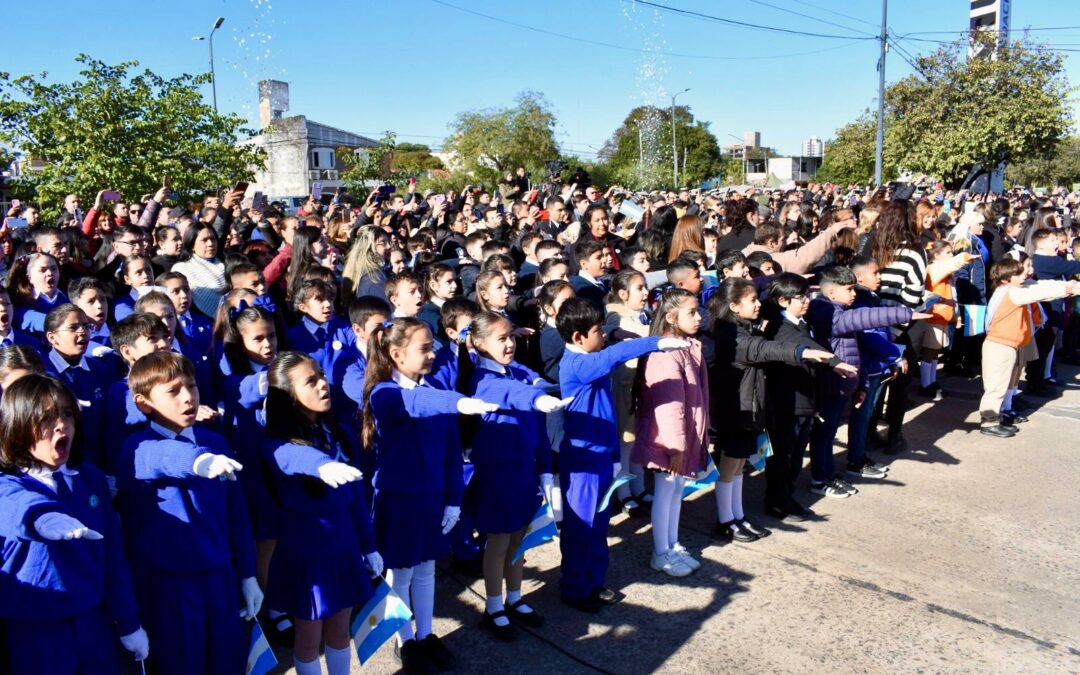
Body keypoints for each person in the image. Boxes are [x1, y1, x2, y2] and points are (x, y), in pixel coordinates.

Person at [360, 317, 496, 674]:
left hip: (433, 497)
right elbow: (415, 403)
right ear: (396, 354)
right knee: (401, 574)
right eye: (423, 348)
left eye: (432, 346)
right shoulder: (384, 393)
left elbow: (452, 449)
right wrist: (458, 403)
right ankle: (405, 641)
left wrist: (453, 498)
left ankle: (426, 634)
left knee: (426, 571)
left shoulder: (435, 386)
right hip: (401, 500)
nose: (432, 353)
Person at [116, 351, 260, 675]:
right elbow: (160, 456)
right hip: (170, 588)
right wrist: (197, 462)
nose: (187, 398)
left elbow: (236, 515)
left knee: (228, 662)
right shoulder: (137, 447)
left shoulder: (215, 442)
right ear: (143, 403)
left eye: (192, 387)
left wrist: (248, 574)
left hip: (221, 578)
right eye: (173, 391)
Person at [0, 375, 149, 672]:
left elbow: (113, 557)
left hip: (94, 621)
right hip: (35, 630)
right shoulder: (8, 484)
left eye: (67, 413)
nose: (61, 424)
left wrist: (129, 622)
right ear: (15, 425)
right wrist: (42, 517)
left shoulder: (90, 479)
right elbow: (13, 507)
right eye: (46, 417)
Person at [555, 297, 689, 612]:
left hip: (604, 456)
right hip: (582, 462)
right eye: (599, 330)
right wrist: (655, 342)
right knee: (581, 527)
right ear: (578, 338)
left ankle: (594, 581)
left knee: (600, 525)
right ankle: (575, 589)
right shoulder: (577, 364)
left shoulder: (591, 356)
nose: (604, 335)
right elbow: (615, 356)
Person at [262, 352, 380, 675]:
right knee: (308, 639)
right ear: (288, 397)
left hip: (343, 548)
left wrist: (368, 546)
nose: (322, 385)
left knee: (341, 632)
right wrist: (322, 465)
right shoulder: (277, 444)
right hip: (308, 557)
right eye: (310, 382)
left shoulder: (338, 431)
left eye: (321, 376)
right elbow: (292, 458)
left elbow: (356, 496)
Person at [461, 312, 570, 640]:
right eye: (501, 339)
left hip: (523, 472)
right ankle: (493, 607)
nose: (510, 344)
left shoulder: (516, 371)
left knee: (520, 540)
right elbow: (511, 394)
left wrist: (544, 470)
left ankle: (515, 598)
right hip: (497, 475)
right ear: (479, 345)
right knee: (498, 541)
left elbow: (535, 425)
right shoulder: (483, 381)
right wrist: (538, 397)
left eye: (511, 336)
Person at [709, 278, 837, 539]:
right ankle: (725, 521)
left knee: (738, 466)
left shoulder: (745, 327)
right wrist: (804, 352)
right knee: (729, 465)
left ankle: (738, 516)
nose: (758, 305)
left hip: (750, 408)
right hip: (736, 410)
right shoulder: (730, 335)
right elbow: (764, 349)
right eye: (752, 300)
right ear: (733, 306)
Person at [808, 266, 922, 492]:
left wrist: (862, 383)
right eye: (849, 289)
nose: (853, 294)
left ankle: (828, 473)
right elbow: (864, 318)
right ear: (831, 293)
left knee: (829, 432)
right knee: (825, 433)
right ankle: (821, 480)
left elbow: (855, 350)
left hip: (844, 384)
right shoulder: (828, 314)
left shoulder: (839, 309)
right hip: (831, 385)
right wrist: (905, 314)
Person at [631, 289, 708, 577]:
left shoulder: (687, 346)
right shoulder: (666, 354)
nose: (699, 318)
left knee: (677, 491)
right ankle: (660, 551)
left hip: (683, 437)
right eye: (692, 313)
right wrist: (676, 447)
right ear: (672, 317)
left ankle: (672, 543)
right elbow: (669, 407)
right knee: (665, 492)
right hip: (669, 440)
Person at [979, 258, 1080, 437]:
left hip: (1006, 344)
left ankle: (998, 416)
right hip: (999, 345)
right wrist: (1068, 289)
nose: (1023, 275)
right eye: (1018, 274)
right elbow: (1037, 293)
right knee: (996, 385)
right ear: (1005, 279)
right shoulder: (1012, 293)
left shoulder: (1012, 289)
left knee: (1003, 383)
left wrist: (1067, 287)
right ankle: (989, 422)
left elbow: (1038, 287)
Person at [603, 269, 651, 515]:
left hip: (638, 385)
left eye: (645, 287)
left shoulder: (642, 313)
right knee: (626, 441)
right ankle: (624, 492)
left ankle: (639, 486)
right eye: (640, 288)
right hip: (623, 388)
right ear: (623, 294)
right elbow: (615, 332)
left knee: (638, 439)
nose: (645, 292)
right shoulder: (616, 315)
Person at [171, 222, 227, 318]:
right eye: (204, 240)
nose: (210, 244)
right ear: (192, 245)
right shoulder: (182, 268)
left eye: (212, 239)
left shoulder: (227, 263)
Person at [8, 252, 68, 336]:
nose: (50, 273)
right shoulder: (21, 301)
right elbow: (33, 320)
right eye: (43, 270)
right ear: (29, 277)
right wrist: (68, 324)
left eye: (54, 269)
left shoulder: (64, 297)